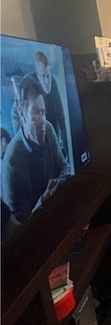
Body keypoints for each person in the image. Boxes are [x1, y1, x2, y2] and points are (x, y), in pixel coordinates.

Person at [2, 76, 70, 223]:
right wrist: (43, 201)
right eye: (35, 112)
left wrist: (57, 186)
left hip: (60, 211)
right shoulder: (11, 165)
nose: (42, 121)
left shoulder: (49, 129)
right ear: (21, 115)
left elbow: (64, 166)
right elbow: (20, 231)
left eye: (43, 112)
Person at [11, 51, 67, 156]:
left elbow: (61, 117)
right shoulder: (27, 84)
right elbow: (15, 113)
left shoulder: (53, 83)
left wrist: (68, 153)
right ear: (37, 74)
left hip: (49, 131)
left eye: (48, 76)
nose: (47, 82)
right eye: (43, 76)